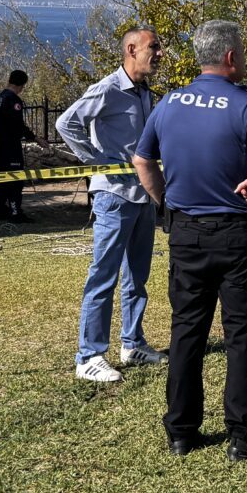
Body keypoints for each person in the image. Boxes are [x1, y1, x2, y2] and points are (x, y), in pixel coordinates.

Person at [133, 20, 247, 462]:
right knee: (242, 332)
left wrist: (165, 204)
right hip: (237, 234)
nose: (245, 58)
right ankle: (245, 436)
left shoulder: (170, 102)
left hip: (186, 231)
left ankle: (181, 432)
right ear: (230, 57)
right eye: (242, 52)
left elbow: (141, 158)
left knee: (187, 330)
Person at [57, 29, 167, 382]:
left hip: (142, 196)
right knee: (102, 277)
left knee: (137, 275)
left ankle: (132, 343)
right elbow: (66, 123)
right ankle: (89, 355)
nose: (160, 54)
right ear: (131, 49)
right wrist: (97, 161)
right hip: (114, 197)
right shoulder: (107, 88)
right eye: (154, 47)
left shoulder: (144, 91)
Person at [0, 70, 38, 223]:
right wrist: (35, 138)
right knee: (15, 180)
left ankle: (2, 211)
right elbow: (17, 125)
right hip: (10, 145)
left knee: (2, 179)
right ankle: (15, 212)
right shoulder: (13, 100)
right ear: (22, 84)